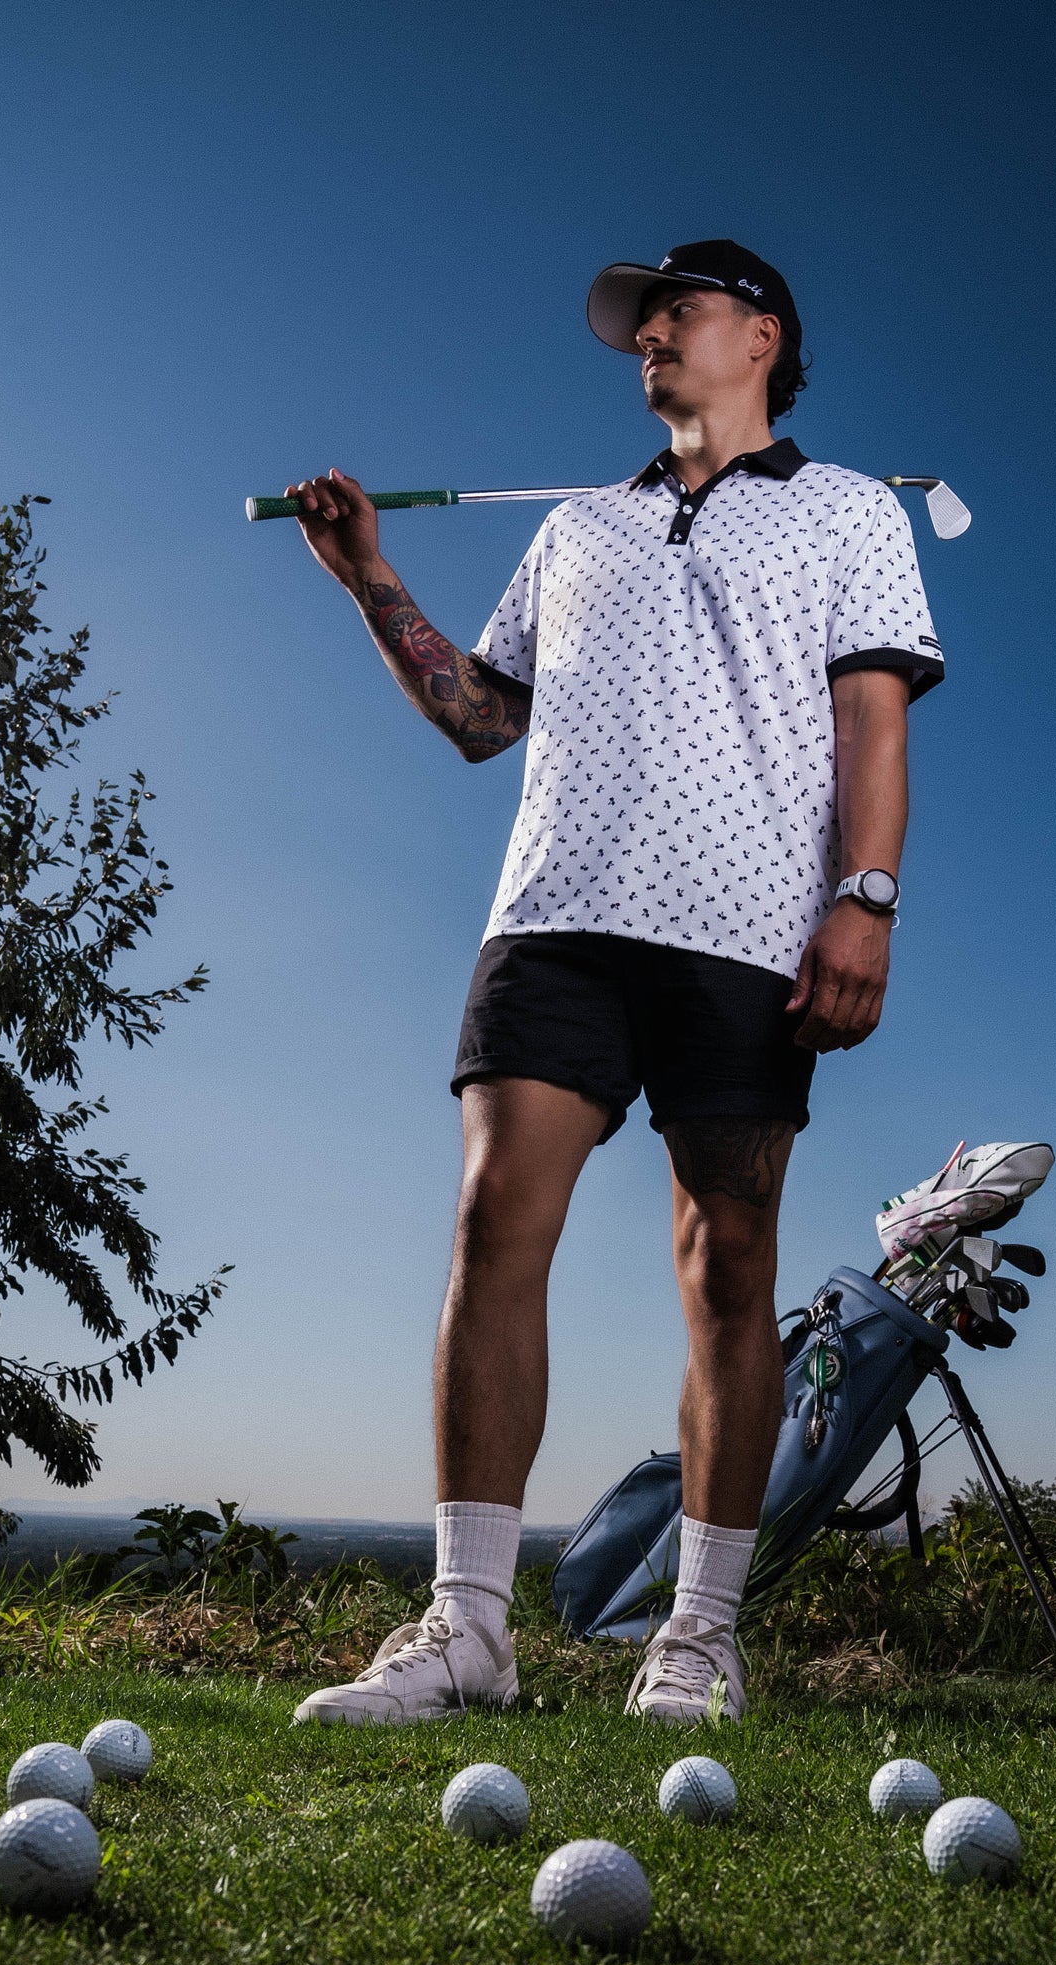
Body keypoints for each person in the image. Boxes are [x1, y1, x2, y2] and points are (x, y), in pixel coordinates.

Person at [289, 239, 944, 1727]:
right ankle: (468, 1630)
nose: (648, 333)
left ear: (762, 334)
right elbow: (477, 718)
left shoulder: (850, 511)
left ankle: (698, 1637)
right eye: (637, 321)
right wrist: (370, 581)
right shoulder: (581, 525)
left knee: (729, 1267)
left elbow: (874, 726)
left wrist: (867, 901)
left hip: (749, 928)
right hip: (557, 918)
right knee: (488, 1219)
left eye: (678, 310)